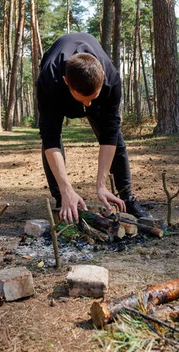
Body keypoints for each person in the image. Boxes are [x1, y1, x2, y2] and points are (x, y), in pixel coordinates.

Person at [36, 32, 152, 224]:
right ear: (66, 82)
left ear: (103, 77)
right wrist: (67, 189)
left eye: (93, 98)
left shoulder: (111, 78)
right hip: (57, 92)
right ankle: (63, 198)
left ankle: (126, 197)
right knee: (51, 142)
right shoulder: (49, 79)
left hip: (91, 87)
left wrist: (101, 184)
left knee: (117, 139)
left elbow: (109, 133)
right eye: (84, 100)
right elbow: (50, 138)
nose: (88, 106)